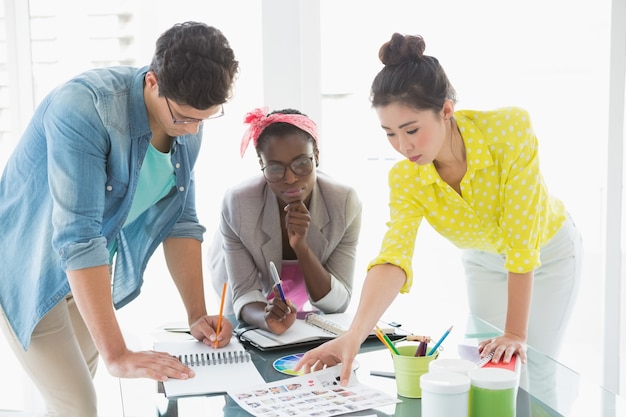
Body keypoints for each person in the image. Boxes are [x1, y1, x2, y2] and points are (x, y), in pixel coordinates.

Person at [295, 33, 583, 388]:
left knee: (534, 367)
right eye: (389, 134)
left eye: (411, 129)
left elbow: (522, 241)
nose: (403, 146)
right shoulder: (406, 178)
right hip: (483, 259)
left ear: (446, 110)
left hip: (548, 253)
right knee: (485, 368)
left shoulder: (509, 130)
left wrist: (513, 332)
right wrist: (355, 333)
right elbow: (393, 258)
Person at [0, 22, 239, 416]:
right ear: (152, 82)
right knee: (77, 403)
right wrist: (118, 354)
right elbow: (79, 237)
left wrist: (197, 314)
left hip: (85, 275)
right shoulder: (84, 108)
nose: (193, 130)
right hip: (27, 266)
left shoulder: (188, 120)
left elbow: (181, 219)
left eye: (205, 119)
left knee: (70, 400)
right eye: (183, 117)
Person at [208, 107, 362, 334]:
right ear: (261, 164)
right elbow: (243, 295)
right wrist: (265, 317)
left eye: (302, 163)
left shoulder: (344, 203)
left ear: (316, 156)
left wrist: (302, 247)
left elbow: (338, 304)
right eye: (275, 168)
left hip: (306, 291)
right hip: (247, 288)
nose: (290, 178)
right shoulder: (238, 204)